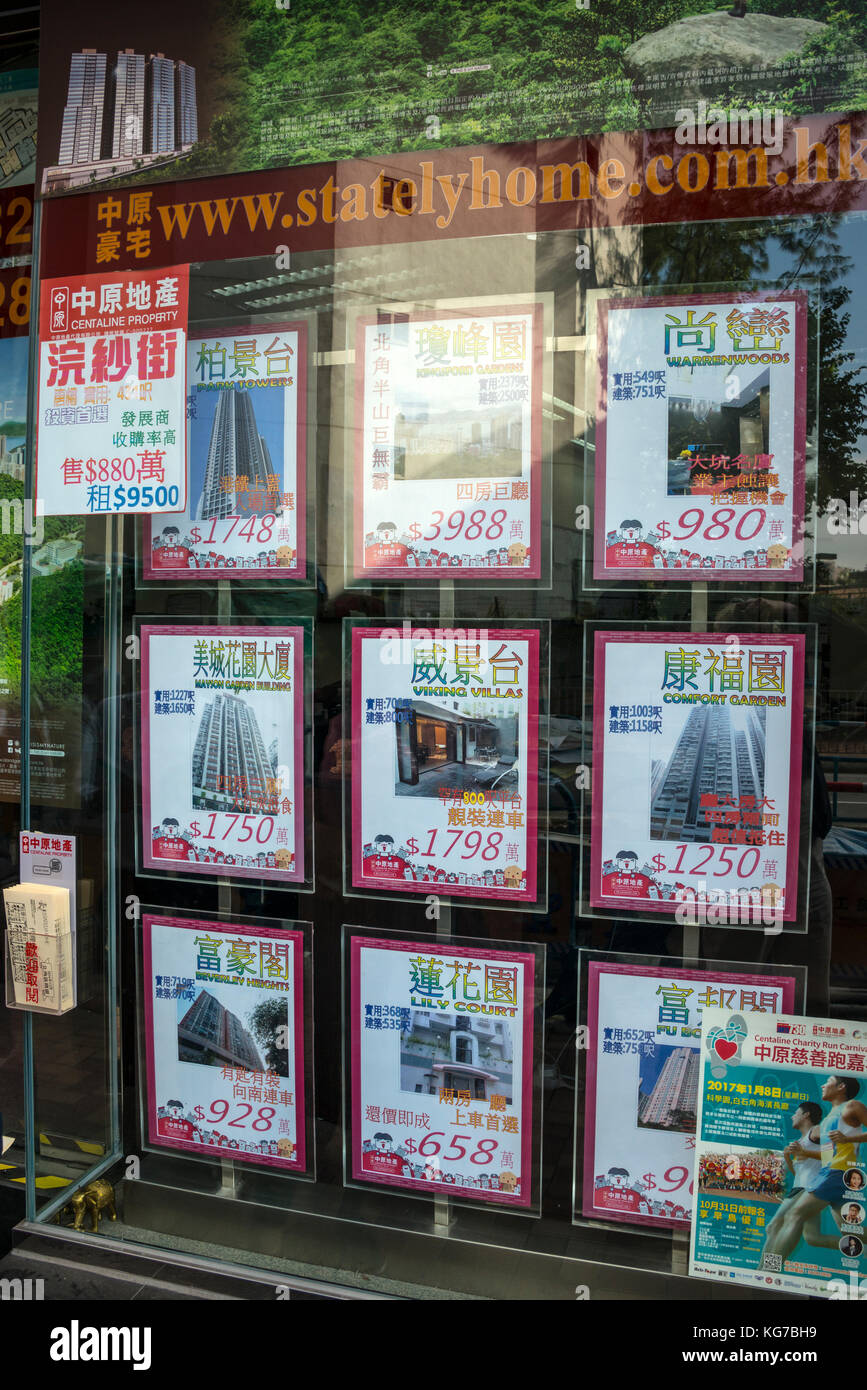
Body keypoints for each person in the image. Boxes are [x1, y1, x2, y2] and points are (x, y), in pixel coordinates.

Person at [762, 1077, 867, 1263]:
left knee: (794, 1215)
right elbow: (826, 1155)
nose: (823, 1085)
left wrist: (848, 1139)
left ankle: (768, 1269)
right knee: (849, 1230)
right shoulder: (828, 1119)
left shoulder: (852, 1106)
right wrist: (802, 1153)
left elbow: (844, 1143)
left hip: (839, 1172)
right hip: (830, 1172)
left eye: (828, 1081)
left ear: (841, 1087)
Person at [760, 1103, 840, 1263]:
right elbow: (798, 1173)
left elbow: (830, 1157)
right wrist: (788, 1156)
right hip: (803, 1188)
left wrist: (802, 1152)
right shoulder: (799, 1141)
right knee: (813, 1238)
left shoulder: (816, 1130)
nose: (792, 1116)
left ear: (806, 1115)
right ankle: (858, 1246)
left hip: (809, 1188)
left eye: (796, 1113)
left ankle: (766, 1269)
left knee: (773, 1226)